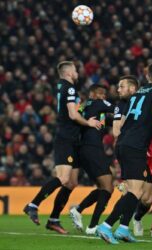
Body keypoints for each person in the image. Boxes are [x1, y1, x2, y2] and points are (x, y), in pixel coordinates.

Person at [96, 62, 152, 244]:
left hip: (124, 143)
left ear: (146, 77)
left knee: (132, 190)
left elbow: (123, 123)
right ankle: (106, 226)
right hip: (135, 146)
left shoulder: (137, 94)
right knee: (135, 191)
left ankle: (122, 229)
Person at [23, 61, 100, 234]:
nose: (77, 73)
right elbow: (73, 114)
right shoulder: (70, 88)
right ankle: (33, 204)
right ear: (68, 73)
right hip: (66, 138)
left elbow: (72, 110)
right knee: (64, 178)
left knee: (72, 182)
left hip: (72, 139)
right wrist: (88, 122)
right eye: (75, 70)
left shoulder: (62, 87)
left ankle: (53, 219)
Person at [69, 83, 124, 235]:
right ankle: (93, 225)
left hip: (84, 150)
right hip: (92, 149)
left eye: (105, 94)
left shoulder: (85, 107)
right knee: (108, 187)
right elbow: (117, 109)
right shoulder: (98, 103)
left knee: (103, 187)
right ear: (92, 94)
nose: (103, 96)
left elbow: (104, 121)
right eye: (100, 93)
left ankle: (78, 210)